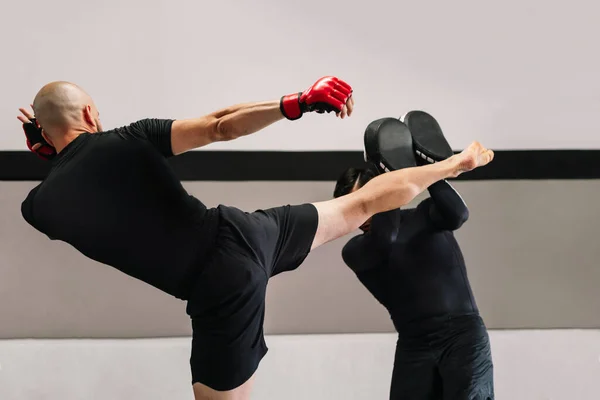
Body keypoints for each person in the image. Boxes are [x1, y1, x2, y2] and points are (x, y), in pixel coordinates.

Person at [18, 79, 494, 400]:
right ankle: (454, 164)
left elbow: (90, 195)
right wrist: (296, 104)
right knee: (361, 205)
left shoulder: (38, 209)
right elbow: (221, 125)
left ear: (40, 134)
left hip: (213, 293)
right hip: (246, 233)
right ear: (87, 113)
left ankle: (450, 165)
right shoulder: (127, 138)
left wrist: (54, 159)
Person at [335, 111, 494, 400]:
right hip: (415, 344)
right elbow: (386, 237)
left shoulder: (423, 215)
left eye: (371, 196)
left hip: (462, 336)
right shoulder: (356, 251)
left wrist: (426, 170)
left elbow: (458, 214)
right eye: (360, 202)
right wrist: (392, 176)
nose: (368, 206)